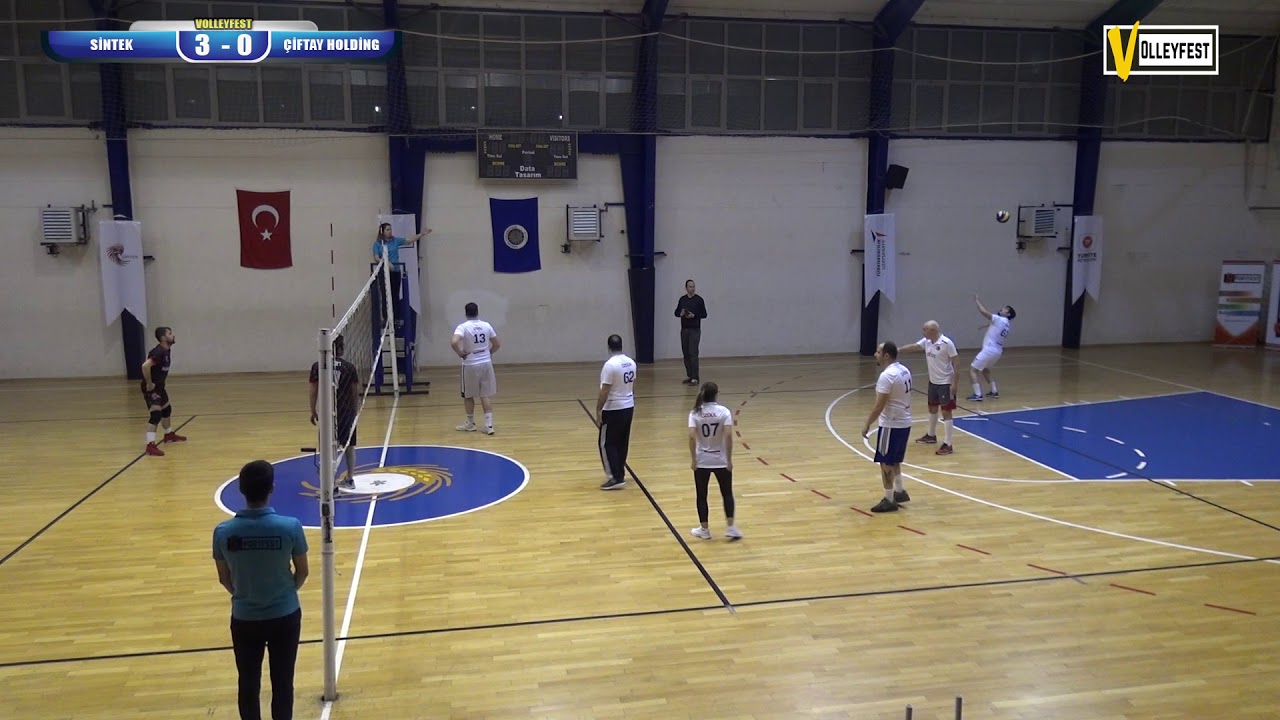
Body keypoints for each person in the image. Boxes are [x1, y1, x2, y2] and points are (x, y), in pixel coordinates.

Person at [212, 460, 309, 720]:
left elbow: (224, 578)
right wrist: (286, 592)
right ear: (272, 488)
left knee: (247, 684)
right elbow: (302, 571)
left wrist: (245, 594)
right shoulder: (290, 527)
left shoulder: (223, 532)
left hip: (244, 618)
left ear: (241, 489)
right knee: (283, 684)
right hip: (285, 615)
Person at [860, 341, 912, 513]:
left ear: (886, 355)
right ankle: (900, 491)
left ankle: (889, 499)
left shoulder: (887, 376)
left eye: (878, 352)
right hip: (904, 422)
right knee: (894, 459)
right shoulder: (904, 370)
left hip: (891, 424)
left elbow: (879, 406)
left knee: (885, 462)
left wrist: (867, 423)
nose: (875, 354)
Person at [687, 381, 742, 540]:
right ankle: (731, 527)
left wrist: (693, 460)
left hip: (702, 460)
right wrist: (729, 459)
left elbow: (692, 437)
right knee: (727, 493)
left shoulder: (695, 413)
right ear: (717, 394)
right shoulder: (724, 412)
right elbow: (728, 436)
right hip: (721, 459)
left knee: (701, 495)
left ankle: (704, 530)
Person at [897, 320, 959, 455]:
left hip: (945, 383)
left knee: (946, 412)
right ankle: (931, 435)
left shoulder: (947, 343)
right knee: (932, 408)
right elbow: (914, 346)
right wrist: (898, 350)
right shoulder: (927, 341)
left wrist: (954, 384)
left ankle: (948, 444)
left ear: (933, 330)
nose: (923, 331)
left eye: (925, 329)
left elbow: (956, 363)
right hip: (933, 382)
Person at [309, 334, 360, 492]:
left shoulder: (318, 366)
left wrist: (313, 410)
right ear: (341, 348)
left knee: (326, 448)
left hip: (328, 412)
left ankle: (329, 485)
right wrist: (355, 412)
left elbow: (314, 390)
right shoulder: (349, 367)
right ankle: (350, 479)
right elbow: (355, 392)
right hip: (346, 412)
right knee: (349, 446)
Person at [451, 302, 501, 435]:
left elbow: (454, 341)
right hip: (486, 362)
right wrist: (489, 353)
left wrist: (460, 353)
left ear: (466, 313)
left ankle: (470, 423)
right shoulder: (486, 325)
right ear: (477, 312)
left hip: (470, 364)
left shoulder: (463, 327)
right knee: (485, 395)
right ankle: (489, 425)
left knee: (468, 395)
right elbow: (497, 344)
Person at [595, 334, 636, 490]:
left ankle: (614, 477)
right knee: (622, 442)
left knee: (607, 443)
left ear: (608, 347)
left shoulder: (610, 365)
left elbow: (605, 390)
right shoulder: (631, 362)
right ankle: (620, 473)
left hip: (613, 408)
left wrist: (599, 409)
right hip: (628, 406)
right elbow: (632, 385)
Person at [141, 325, 187, 457]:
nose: (173, 335)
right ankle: (150, 445)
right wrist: (149, 383)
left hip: (160, 387)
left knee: (166, 410)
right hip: (152, 388)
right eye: (170, 334)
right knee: (156, 415)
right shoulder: (158, 352)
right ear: (163, 338)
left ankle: (168, 435)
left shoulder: (166, 350)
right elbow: (145, 366)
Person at [371, 223, 431, 322]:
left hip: (396, 271)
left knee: (395, 295)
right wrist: (387, 262)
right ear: (382, 231)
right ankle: (386, 319)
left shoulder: (396, 241)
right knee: (385, 295)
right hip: (384, 273)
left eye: (390, 229)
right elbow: (376, 258)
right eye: (387, 229)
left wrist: (421, 234)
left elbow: (409, 240)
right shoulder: (377, 244)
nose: (390, 231)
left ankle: (395, 318)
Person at [967, 295, 1016, 401]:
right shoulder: (1006, 323)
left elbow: (984, 312)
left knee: (972, 370)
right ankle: (994, 391)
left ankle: (978, 394)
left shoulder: (999, 319)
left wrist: (977, 301)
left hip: (989, 350)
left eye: (1005, 309)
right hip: (997, 351)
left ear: (1008, 314)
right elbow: (995, 325)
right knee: (985, 369)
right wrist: (985, 326)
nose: (1002, 309)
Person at [674, 279, 707, 385]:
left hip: (694, 329)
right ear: (686, 288)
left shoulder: (699, 300)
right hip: (684, 329)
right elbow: (676, 312)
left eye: (693, 286)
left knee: (693, 353)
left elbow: (704, 314)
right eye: (690, 287)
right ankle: (690, 375)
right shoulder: (682, 299)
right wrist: (681, 313)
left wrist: (694, 315)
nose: (692, 288)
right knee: (686, 353)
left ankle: (695, 378)